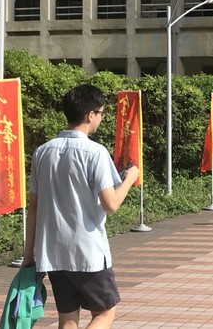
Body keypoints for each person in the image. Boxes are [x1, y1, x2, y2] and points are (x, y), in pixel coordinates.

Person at [22, 84, 140, 329]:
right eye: (101, 113)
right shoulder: (95, 153)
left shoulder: (42, 152)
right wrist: (130, 177)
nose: (101, 118)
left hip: (52, 251)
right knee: (105, 312)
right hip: (87, 251)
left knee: (67, 319)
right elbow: (111, 204)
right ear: (90, 114)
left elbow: (33, 207)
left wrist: (28, 254)